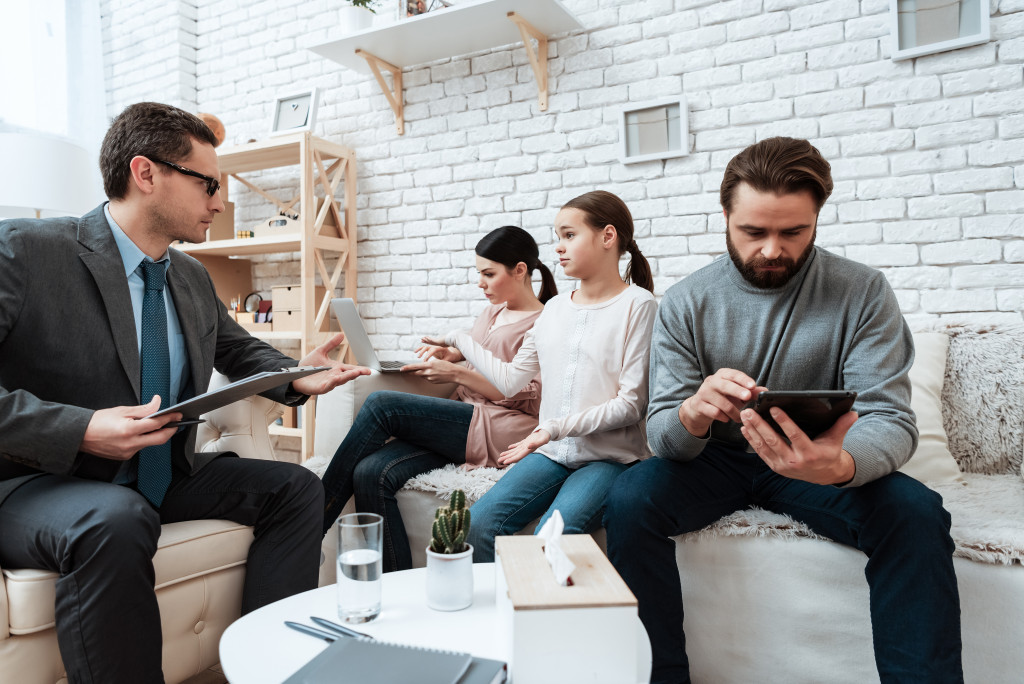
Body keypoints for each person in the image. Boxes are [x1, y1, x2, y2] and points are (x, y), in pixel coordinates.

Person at [0, 102, 369, 684]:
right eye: (208, 184)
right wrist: (82, 428)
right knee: (112, 520)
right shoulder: (24, 250)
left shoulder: (190, 276)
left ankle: (269, 667)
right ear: (146, 174)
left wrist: (295, 375)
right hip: (34, 483)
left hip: (158, 473)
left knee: (296, 487)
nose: (219, 202)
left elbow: (239, 349)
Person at [604, 137, 962, 684]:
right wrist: (693, 413)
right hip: (714, 463)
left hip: (818, 462)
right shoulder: (683, 301)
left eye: (793, 232)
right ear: (725, 216)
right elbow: (662, 436)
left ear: (817, 218)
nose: (773, 249)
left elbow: (889, 417)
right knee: (630, 498)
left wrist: (841, 466)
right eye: (754, 232)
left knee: (915, 512)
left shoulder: (862, 291)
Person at [435, 191, 657, 562]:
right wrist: (461, 340)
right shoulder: (554, 309)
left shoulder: (639, 305)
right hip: (552, 453)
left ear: (607, 236)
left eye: (569, 235)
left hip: (609, 458)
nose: (558, 248)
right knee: (478, 525)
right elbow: (510, 381)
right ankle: (497, 616)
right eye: (557, 237)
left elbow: (631, 405)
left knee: (549, 538)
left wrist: (552, 428)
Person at [320, 225, 557, 571]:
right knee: (371, 472)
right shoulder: (493, 311)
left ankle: (313, 520)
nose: (481, 283)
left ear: (520, 270)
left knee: (382, 404)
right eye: (480, 273)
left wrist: (458, 373)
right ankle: (398, 584)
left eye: (489, 274)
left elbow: (525, 392)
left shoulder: (546, 322)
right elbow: (487, 356)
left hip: (500, 425)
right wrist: (452, 358)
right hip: (463, 413)